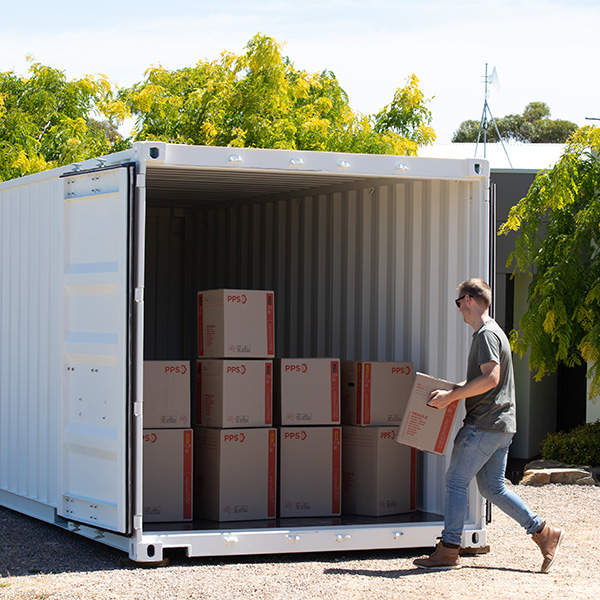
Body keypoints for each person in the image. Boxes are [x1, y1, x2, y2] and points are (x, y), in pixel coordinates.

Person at [413, 278, 563, 573]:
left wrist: (452, 396)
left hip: (484, 424)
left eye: (458, 303)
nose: (459, 310)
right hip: (502, 425)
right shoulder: (496, 333)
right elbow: (486, 382)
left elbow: (491, 379)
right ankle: (544, 533)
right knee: (493, 488)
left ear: (469, 299)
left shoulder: (485, 334)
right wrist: (452, 391)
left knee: (456, 482)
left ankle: (449, 549)